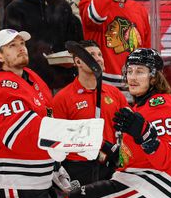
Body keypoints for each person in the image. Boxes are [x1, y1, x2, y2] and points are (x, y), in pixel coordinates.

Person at [0, 29, 94, 198]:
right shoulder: (0, 85)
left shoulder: (32, 78)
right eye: (12, 45)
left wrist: (55, 165)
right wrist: (77, 135)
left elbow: (47, 120)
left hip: (36, 183)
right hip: (10, 184)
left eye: (22, 43)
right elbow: (22, 135)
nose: (21, 48)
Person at [64, 49, 171, 198]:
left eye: (140, 72)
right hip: (140, 178)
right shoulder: (141, 106)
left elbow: (166, 160)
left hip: (156, 185)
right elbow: (136, 156)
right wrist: (107, 147)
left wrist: (145, 134)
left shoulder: (160, 105)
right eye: (129, 71)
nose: (132, 77)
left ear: (153, 77)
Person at [3, 0, 82, 91]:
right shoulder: (15, 8)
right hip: (30, 83)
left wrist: (72, 59)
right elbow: (10, 49)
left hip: (64, 82)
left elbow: (76, 43)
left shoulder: (63, 6)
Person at [52, 40, 128, 186]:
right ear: (78, 61)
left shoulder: (115, 94)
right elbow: (55, 141)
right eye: (92, 54)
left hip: (109, 164)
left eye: (100, 54)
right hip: (77, 166)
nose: (98, 58)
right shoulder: (63, 98)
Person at [80, 0, 151, 90]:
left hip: (134, 88)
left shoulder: (140, 9)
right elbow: (96, 16)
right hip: (102, 88)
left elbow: (145, 52)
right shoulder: (89, 2)